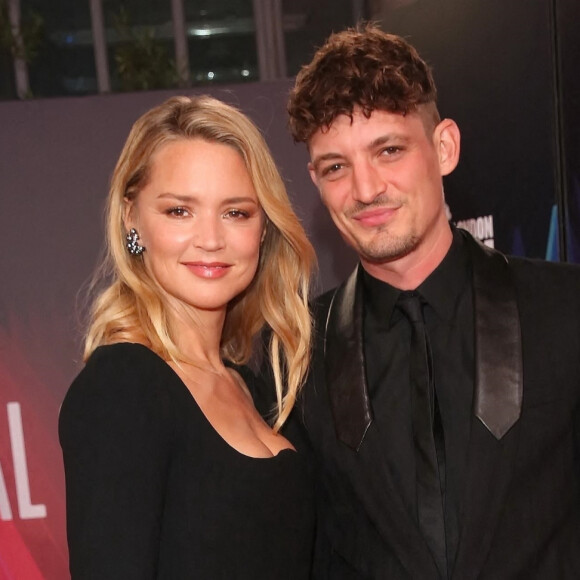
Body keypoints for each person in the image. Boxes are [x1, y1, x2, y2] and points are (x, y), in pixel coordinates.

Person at [286, 24, 580, 579]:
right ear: (315, 180)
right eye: (336, 167)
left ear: (444, 147)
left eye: (389, 150)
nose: (365, 188)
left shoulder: (566, 310)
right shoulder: (295, 353)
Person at [59, 95, 316, 579]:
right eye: (180, 211)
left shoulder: (256, 387)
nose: (211, 239)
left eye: (236, 212)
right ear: (132, 219)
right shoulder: (122, 388)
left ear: (263, 228)